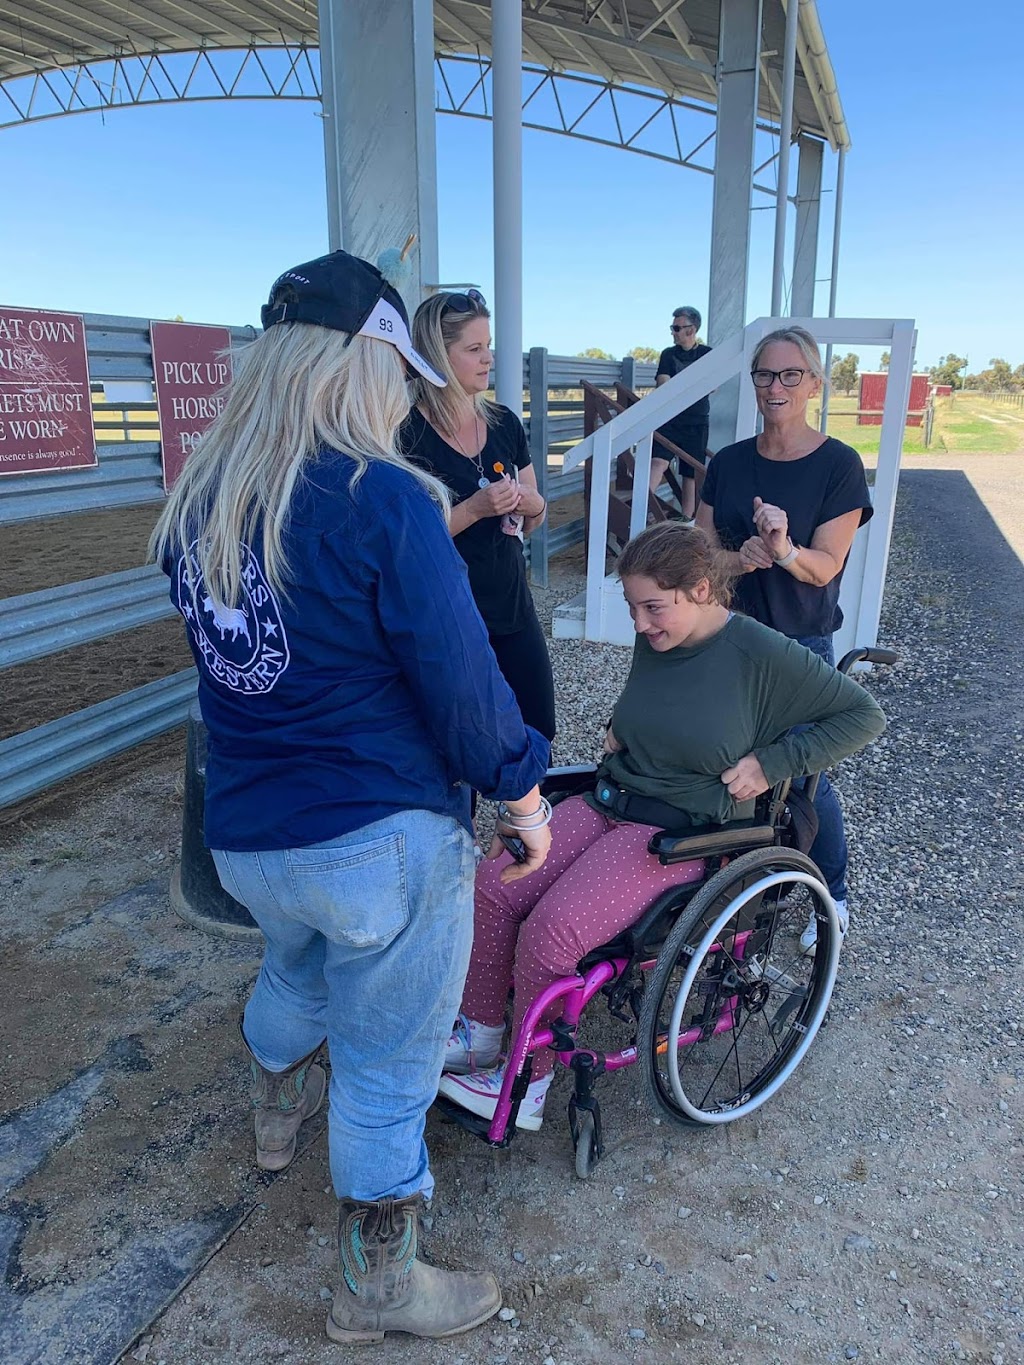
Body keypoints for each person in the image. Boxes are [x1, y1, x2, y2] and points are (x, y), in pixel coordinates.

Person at [150, 249, 553, 1345]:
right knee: (387, 1059)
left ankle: (272, 1098)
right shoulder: (383, 494)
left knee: (297, 964)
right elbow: (463, 686)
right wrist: (522, 794)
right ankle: (378, 1284)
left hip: (246, 830)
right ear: (364, 363)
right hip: (376, 835)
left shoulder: (201, 499)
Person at [437, 522, 885, 1131]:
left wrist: (772, 763)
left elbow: (862, 715)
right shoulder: (662, 641)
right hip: (611, 798)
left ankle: (524, 1084)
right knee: (493, 885)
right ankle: (482, 1034)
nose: (641, 625)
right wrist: (625, 729)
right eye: (632, 608)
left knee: (552, 932)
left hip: (682, 832)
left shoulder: (760, 653)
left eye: (653, 607)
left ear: (701, 590)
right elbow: (659, 708)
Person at [695, 325, 874, 953]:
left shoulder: (838, 465)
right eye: (766, 375)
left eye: (790, 375)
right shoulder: (729, 462)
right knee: (730, 765)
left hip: (800, 646)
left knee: (804, 778)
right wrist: (738, 560)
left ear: (815, 383)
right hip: (731, 637)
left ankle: (834, 895)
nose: (776, 387)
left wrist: (784, 548)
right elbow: (701, 554)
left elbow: (825, 566)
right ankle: (746, 883)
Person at [401, 290, 556, 744]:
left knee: (537, 732)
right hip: (449, 618)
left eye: (488, 346)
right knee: (460, 745)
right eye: (474, 349)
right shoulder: (405, 436)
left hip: (512, 606)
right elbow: (407, 542)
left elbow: (537, 512)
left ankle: (526, 817)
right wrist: (474, 509)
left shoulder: (506, 422)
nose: (489, 359)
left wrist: (531, 506)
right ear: (436, 355)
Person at [649, 305, 712, 517]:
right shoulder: (668, 354)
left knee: (690, 473)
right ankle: (641, 507)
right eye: (673, 327)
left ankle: (686, 521)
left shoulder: (707, 354)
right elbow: (662, 383)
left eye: (677, 328)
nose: (673, 332)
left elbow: (713, 385)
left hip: (696, 421)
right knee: (657, 462)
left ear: (691, 329)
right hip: (669, 420)